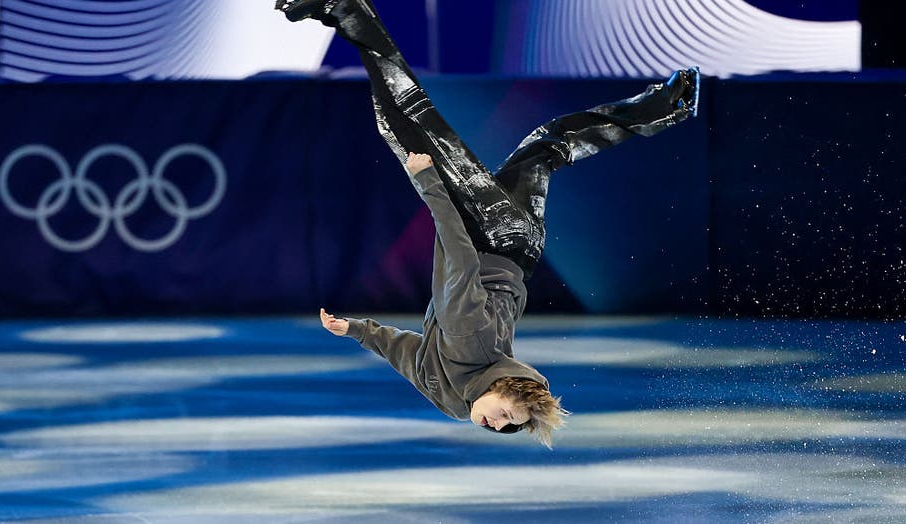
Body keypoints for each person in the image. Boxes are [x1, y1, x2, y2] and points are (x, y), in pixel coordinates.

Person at [275, 0, 700, 448]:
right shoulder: (468, 339)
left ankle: (667, 107)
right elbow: (458, 257)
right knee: (405, 120)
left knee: (546, 147)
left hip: (521, 246)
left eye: (506, 426)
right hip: (490, 234)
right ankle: (343, 8)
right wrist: (430, 185)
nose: (496, 425)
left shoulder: (455, 402)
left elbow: (410, 356)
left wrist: (358, 330)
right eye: (504, 416)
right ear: (500, 386)